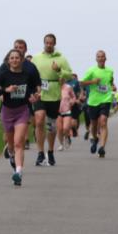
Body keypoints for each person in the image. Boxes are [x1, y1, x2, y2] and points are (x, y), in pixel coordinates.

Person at [0, 48, 40, 186]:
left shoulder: (26, 75)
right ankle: (11, 155)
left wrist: (33, 97)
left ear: (21, 59)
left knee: (19, 143)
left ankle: (18, 172)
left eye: (17, 57)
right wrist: (6, 90)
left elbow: (31, 91)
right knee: (11, 144)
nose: (14, 60)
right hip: (7, 112)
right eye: (12, 58)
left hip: (22, 111)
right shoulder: (3, 75)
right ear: (8, 60)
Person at [31, 33, 72, 167]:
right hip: (40, 93)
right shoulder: (36, 58)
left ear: (54, 44)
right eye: (46, 42)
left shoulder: (61, 58)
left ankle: (50, 151)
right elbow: (30, 73)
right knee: (39, 119)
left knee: (51, 125)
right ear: (44, 43)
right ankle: (40, 153)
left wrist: (59, 69)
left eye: (51, 43)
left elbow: (70, 74)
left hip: (54, 93)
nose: (48, 45)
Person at [79, 50, 115, 159]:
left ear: (105, 58)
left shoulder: (110, 71)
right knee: (94, 124)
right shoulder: (91, 70)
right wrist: (93, 82)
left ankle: (102, 147)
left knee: (103, 122)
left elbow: (111, 81)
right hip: (93, 101)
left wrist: (113, 86)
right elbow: (82, 83)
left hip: (106, 99)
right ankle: (95, 139)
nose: (100, 58)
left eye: (102, 56)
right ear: (96, 59)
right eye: (98, 56)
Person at [57, 75, 77, 151]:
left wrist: (72, 101)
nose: (60, 79)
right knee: (59, 129)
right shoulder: (55, 88)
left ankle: (67, 137)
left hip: (67, 110)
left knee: (65, 128)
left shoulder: (68, 87)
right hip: (57, 111)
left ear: (64, 79)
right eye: (59, 78)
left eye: (62, 78)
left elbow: (73, 97)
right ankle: (61, 144)